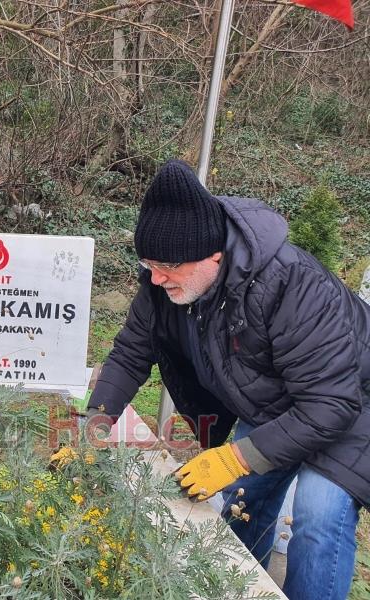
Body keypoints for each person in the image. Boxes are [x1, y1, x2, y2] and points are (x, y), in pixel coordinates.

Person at [84, 159, 370, 600]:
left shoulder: (292, 286)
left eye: (166, 267)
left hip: (351, 400)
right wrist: (93, 426)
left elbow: (329, 405)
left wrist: (236, 456)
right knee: (244, 500)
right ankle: (238, 589)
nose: (155, 278)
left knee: (318, 513)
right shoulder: (164, 285)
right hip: (278, 402)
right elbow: (129, 353)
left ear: (212, 257)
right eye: (148, 264)